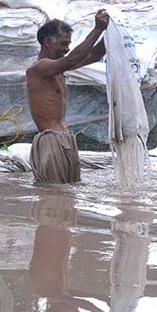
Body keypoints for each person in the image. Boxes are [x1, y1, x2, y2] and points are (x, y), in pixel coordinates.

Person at [25, 9, 109, 183]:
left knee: (69, 196)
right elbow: (72, 59)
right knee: (52, 196)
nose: (67, 49)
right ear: (48, 42)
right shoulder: (39, 69)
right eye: (63, 44)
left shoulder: (58, 69)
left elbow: (94, 55)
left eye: (69, 44)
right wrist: (97, 30)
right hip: (51, 140)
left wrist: (111, 31)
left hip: (66, 139)